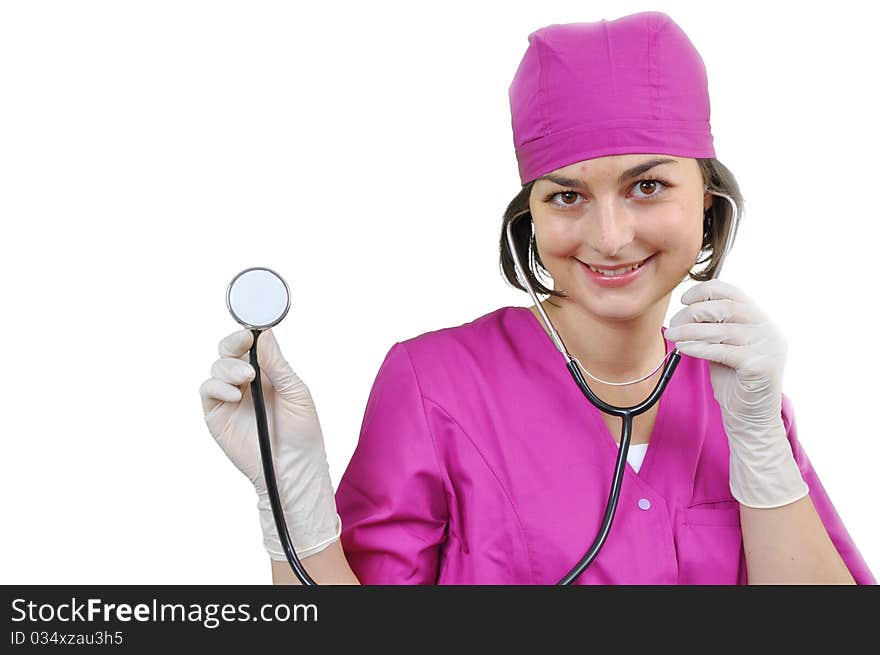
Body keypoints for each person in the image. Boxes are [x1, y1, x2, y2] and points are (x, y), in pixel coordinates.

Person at [199, 11, 875, 584]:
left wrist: (761, 451)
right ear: (531, 216)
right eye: (567, 196)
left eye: (648, 186)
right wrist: (296, 502)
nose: (610, 237)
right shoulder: (435, 386)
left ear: (707, 199)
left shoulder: (741, 396)